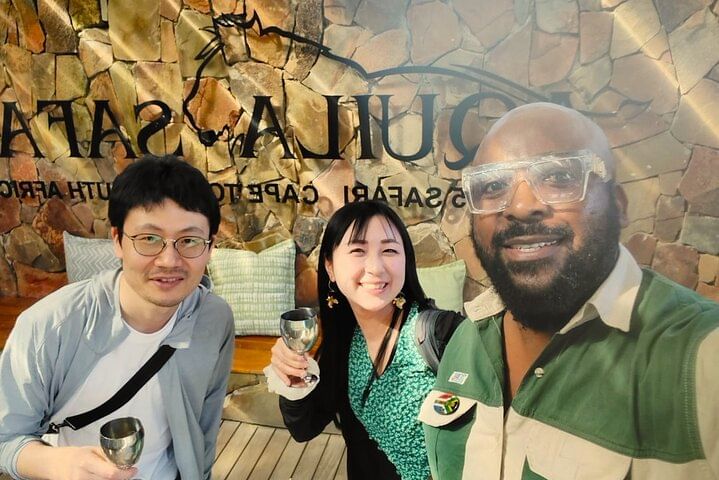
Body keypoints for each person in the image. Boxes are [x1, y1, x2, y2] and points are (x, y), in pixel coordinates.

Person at [420, 103, 719, 479]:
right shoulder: (468, 338)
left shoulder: (703, 358)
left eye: (559, 176)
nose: (521, 206)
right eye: (493, 186)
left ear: (618, 206)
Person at [0, 155, 235, 480]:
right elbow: (6, 438)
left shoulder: (214, 320)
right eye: (149, 238)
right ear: (117, 241)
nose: (169, 260)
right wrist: (56, 464)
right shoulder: (50, 327)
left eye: (189, 241)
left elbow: (204, 428)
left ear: (209, 248)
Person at [266, 200, 463, 480]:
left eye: (389, 250)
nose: (375, 267)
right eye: (358, 250)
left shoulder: (441, 335)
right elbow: (304, 428)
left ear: (406, 261)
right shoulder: (344, 339)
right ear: (330, 267)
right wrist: (292, 380)